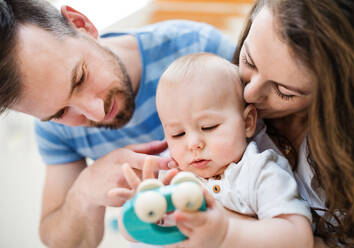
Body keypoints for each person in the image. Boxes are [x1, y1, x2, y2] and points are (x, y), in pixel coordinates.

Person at [0, 0, 235, 247]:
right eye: (60, 112)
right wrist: (85, 190)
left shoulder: (197, 47)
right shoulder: (55, 131)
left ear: (81, 24)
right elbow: (61, 241)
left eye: (80, 78)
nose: (97, 112)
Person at [113, 52, 314, 248]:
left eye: (208, 127)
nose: (193, 144)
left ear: (247, 122)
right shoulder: (170, 175)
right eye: (177, 134)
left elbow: (298, 237)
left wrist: (226, 233)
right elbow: (130, 234)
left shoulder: (259, 171)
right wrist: (137, 209)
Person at [233, 0, 354, 247]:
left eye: (284, 91)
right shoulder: (221, 84)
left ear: (338, 96)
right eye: (248, 60)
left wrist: (229, 230)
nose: (250, 94)